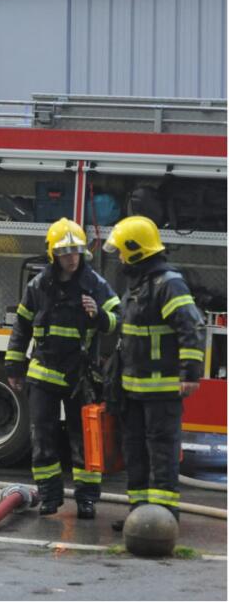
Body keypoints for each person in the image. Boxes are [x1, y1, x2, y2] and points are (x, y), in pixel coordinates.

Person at [4, 219, 121, 518]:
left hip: (81, 375)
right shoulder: (39, 285)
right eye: (65, 252)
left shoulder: (95, 284)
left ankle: (86, 499)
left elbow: (120, 320)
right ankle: (49, 496)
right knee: (42, 436)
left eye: (76, 251)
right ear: (54, 254)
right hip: (43, 372)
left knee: (83, 439)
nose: (72, 257)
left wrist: (98, 316)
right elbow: (22, 326)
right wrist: (15, 365)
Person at [104, 215, 204, 529]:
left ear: (135, 250)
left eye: (122, 250)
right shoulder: (139, 283)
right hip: (134, 389)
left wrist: (190, 374)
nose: (119, 256)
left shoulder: (167, 283)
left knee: (161, 452)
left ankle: (163, 520)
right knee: (134, 452)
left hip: (161, 390)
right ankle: (140, 517)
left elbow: (191, 327)